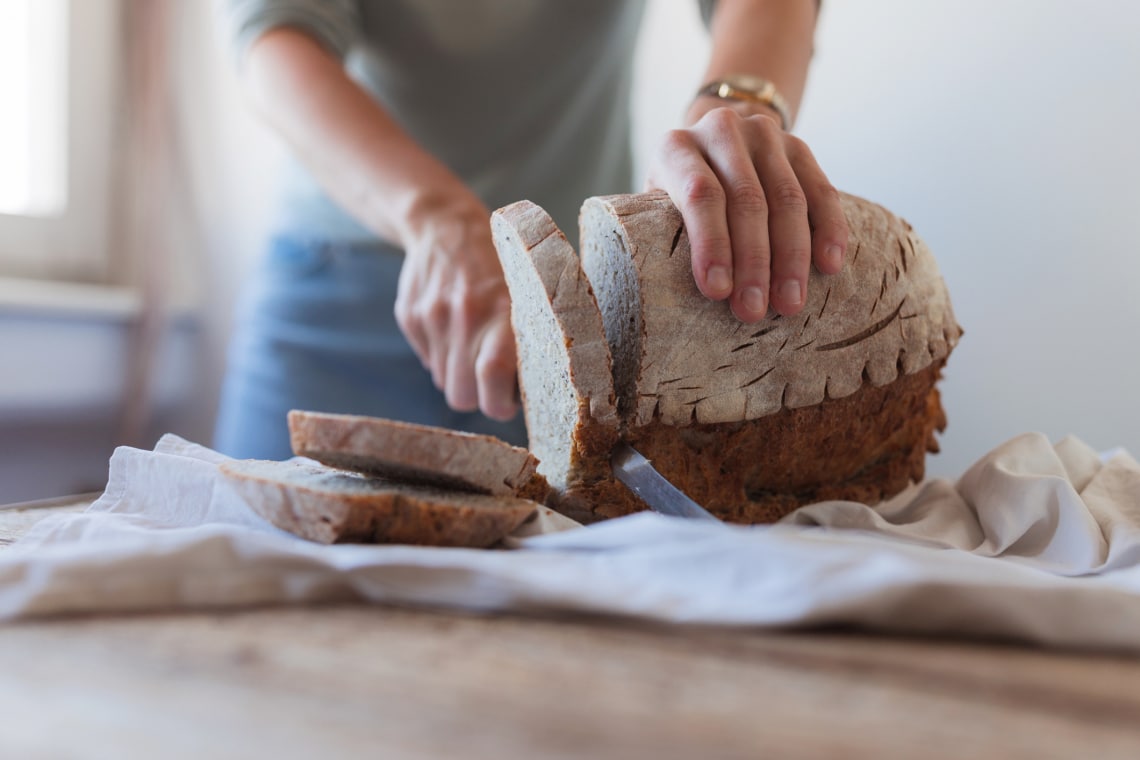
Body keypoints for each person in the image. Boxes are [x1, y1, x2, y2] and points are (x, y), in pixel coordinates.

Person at [213, 0, 848, 460]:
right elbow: (275, 38)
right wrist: (437, 216)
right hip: (336, 292)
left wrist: (732, 111)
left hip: (574, 312)